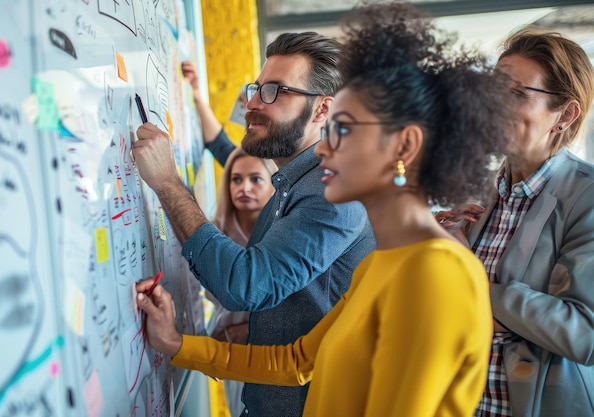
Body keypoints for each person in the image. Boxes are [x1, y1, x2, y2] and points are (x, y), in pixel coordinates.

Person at [135, 2, 517, 416]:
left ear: (404, 146)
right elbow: (296, 362)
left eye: (343, 129)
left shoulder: (439, 273)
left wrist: (169, 185)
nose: (322, 147)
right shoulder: (380, 266)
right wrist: (176, 344)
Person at [133, 32, 374, 416]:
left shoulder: (334, 193)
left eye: (275, 91)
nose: (253, 103)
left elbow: (246, 285)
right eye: (257, 88)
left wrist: (166, 182)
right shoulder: (289, 185)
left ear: (323, 110)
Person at [435, 27, 594, 417]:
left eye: (516, 94)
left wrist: (473, 278)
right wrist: (441, 250)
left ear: (566, 114)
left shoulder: (587, 198)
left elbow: (585, 332)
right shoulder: (484, 196)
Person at [209, 147, 277, 417]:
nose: (244, 187)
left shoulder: (283, 237)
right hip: (229, 348)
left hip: (277, 352)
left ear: (274, 183)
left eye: (256, 179)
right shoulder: (214, 236)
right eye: (236, 179)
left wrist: (249, 330)